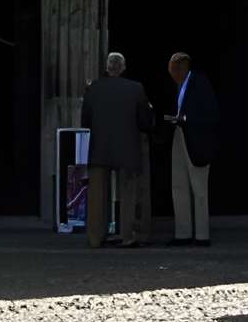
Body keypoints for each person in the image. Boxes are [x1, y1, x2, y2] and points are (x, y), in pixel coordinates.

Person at [79, 51, 152, 248]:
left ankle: (95, 236)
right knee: (129, 193)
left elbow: (85, 120)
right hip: (127, 147)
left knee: (97, 194)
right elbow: (145, 122)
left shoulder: (93, 89)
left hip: (100, 147)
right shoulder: (135, 88)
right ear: (123, 68)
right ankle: (128, 235)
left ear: (107, 68)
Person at [165, 52, 220, 248]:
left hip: (196, 140)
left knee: (199, 188)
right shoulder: (180, 85)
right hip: (180, 134)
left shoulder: (200, 83)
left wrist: (186, 119)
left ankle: (202, 235)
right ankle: (183, 233)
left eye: (173, 69)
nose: (171, 74)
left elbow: (211, 113)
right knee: (178, 185)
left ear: (182, 68)